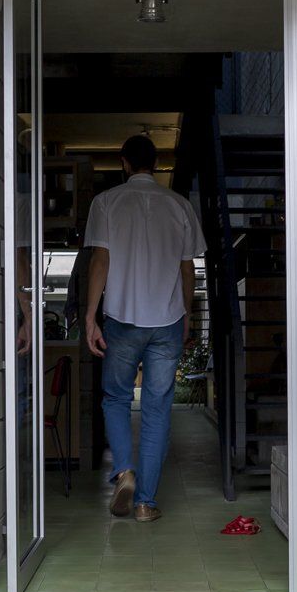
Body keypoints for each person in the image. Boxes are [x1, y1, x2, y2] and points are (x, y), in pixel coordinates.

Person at [83, 134, 207, 522]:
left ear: (123, 162)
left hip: (121, 318)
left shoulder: (105, 203)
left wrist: (90, 316)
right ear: (156, 164)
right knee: (157, 410)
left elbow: (100, 260)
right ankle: (145, 504)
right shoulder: (180, 206)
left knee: (116, 399)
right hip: (167, 321)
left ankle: (124, 470)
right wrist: (187, 314)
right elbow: (188, 268)